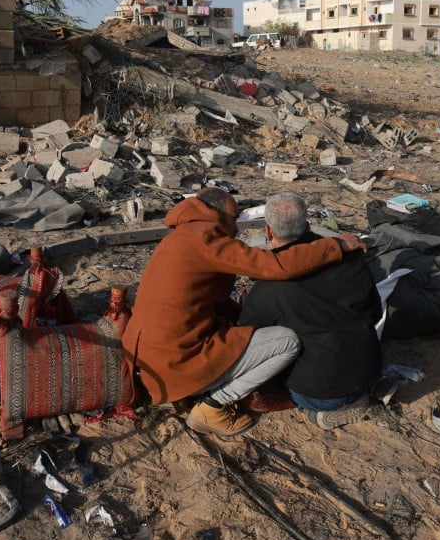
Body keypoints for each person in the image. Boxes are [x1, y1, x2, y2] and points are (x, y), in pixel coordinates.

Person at [122, 187, 367, 437]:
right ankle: (213, 407)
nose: (236, 228)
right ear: (216, 214)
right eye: (234, 218)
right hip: (173, 364)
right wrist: (335, 244)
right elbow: (275, 265)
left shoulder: (180, 236)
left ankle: (195, 390)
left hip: (146, 357)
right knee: (287, 342)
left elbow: (212, 300)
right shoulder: (206, 237)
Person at [238, 193, 382, 429]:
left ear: (268, 231)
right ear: (307, 226)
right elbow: (375, 313)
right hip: (370, 370)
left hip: (322, 393)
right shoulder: (350, 257)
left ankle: (320, 410)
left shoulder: (267, 286)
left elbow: (247, 341)